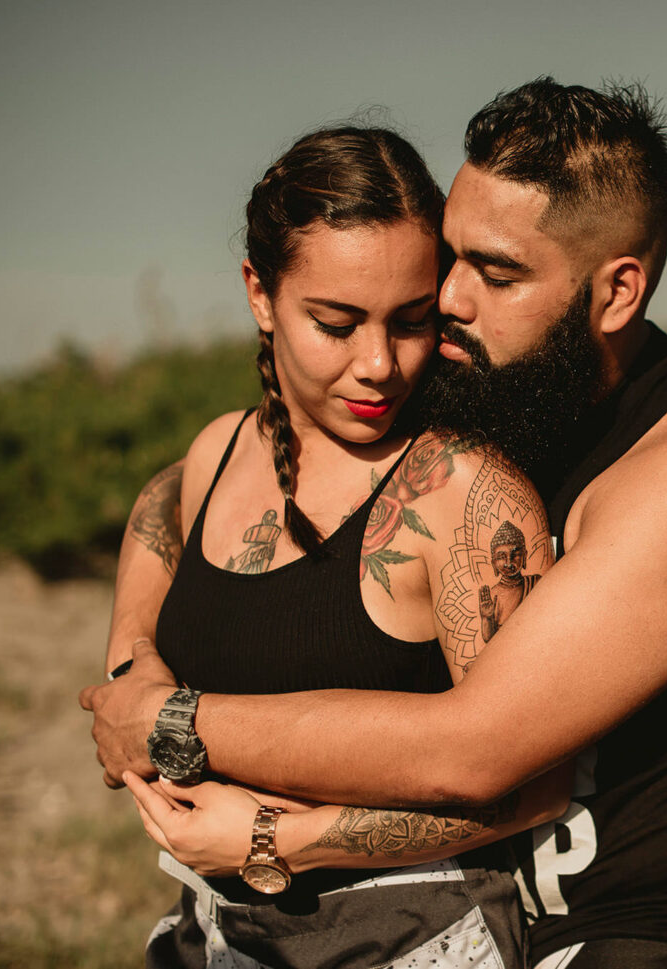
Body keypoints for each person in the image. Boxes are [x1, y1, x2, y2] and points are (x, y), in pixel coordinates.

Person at [83, 78, 667, 969]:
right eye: (451, 259)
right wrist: (133, 644)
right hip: (483, 910)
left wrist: (173, 723)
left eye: (498, 272)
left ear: (618, 289)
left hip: (647, 928)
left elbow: (473, 750)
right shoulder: (499, 382)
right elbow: (190, 483)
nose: (449, 301)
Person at [107, 124, 567, 969]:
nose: (380, 364)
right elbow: (156, 520)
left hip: (412, 937)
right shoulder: (214, 456)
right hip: (208, 933)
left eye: (411, 320)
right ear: (259, 292)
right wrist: (134, 654)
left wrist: (279, 838)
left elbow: (535, 781)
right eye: (336, 321)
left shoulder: (464, 493)